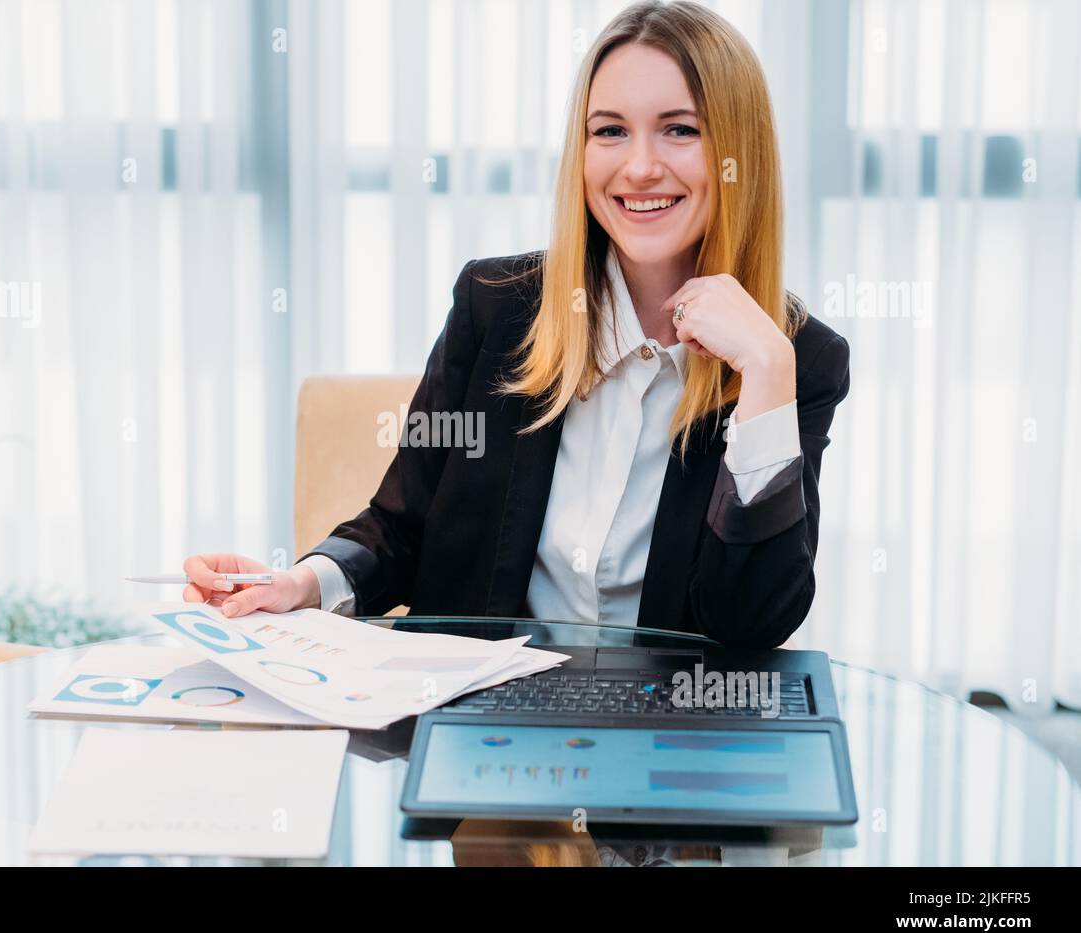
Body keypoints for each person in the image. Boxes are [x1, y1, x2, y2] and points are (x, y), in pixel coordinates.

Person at [183, 0, 849, 649]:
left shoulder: (797, 359)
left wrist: (767, 378)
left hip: (666, 736)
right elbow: (401, 525)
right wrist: (299, 584)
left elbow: (751, 623)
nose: (640, 166)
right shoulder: (496, 307)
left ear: (738, 151)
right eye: (610, 130)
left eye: (679, 129)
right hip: (487, 729)